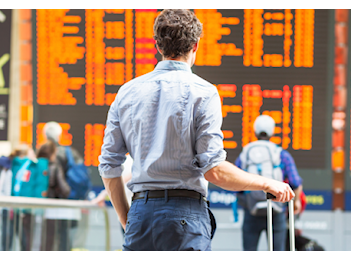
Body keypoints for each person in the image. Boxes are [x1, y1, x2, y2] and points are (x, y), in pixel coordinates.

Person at [98, 9, 294, 251]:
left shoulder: (127, 92)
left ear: (157, 45)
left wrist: (127, 219)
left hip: (141, 214)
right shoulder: (203, 92)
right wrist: (267, 184)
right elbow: (215, 171)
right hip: (185, 217)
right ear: (195, 45)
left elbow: (109, 166)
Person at [234, 115, 303, 251]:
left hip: (251, 212)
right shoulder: (281, 154)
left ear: (255, 131)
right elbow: (295, 182)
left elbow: (235, 181)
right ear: (272, 132)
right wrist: (296, 203)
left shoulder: (245, 153)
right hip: (276, 211)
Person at [36, 140, 72, 251]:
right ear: (52, 153)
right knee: (49, 240)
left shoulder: (34, 165)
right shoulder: (54, 167)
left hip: (32, 210)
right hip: (50, 210)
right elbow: (65, 190)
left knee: (33, 240)